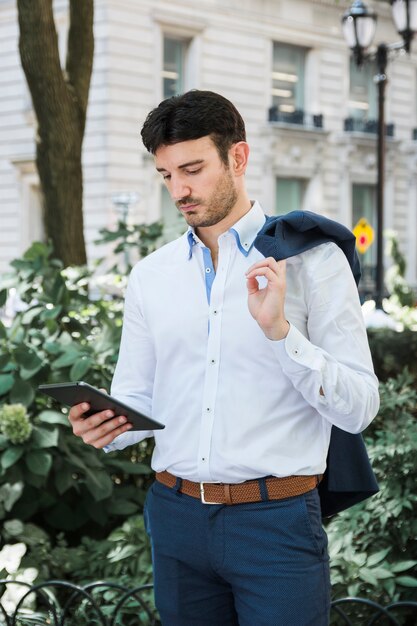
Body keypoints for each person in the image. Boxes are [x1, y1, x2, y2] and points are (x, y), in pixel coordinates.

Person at [68, 90, 379, 625]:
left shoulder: (311, 260)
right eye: (166, 175)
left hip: (275, 523)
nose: (180, 190)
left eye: (192, 169)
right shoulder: (151, 277)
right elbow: (138, 398)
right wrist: (107, 426)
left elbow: (359, 408)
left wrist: (281, 332)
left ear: (238, 157)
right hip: (175, 516)